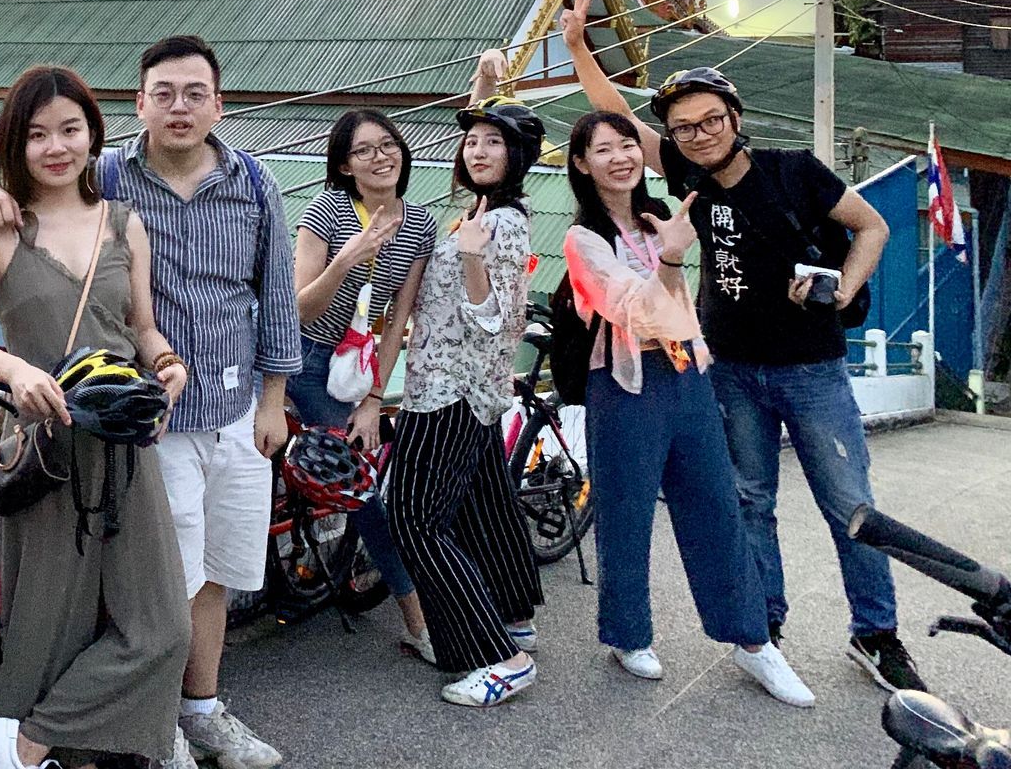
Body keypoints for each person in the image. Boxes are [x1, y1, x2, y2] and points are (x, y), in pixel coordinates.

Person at [560, 0, 925, 692]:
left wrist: (842, 290)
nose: (698, 135)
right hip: (728, 369)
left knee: (849, 503)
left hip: (811, 369)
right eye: (683, 127)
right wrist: (578, 47)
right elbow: (615, 122)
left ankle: (876, 633)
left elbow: (872, 226)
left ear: (735, 119)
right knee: (748, 504)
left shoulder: (795, 171)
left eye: (710, 121)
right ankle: (764, 626)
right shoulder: (686, 177)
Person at [0, 35, 299, 769]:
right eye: (164, 94)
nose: (180, 107)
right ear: (138, 104)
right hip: (144, 425)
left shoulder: (254, 182)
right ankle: (152, 733)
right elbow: (36, 177)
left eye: (195, 94)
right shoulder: (110, 174)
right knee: (155, 589)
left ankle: (201, 710)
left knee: (217, 572)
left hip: (234, 406)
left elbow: (275, 293)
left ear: (219, 103)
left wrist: (272, 399)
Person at [0, 65, 191, 769]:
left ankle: (23, 741)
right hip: (46, 444)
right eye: (37, 134)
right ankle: (55, 752)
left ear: (93, 135)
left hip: (122, 441)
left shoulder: (124, 223)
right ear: (15, 143)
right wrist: (16, 371)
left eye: (70, 130)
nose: (55, 147)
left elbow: (142, 327)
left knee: (162, 626)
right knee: (50, 623)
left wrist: (168, 364)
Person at [561, 110, 815, 704]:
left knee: (717, 507)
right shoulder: (582, 239)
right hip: (624, 383)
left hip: (687, 374)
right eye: (604, 149)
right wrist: (672, 259)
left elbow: (684, 307)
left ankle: (753, 640)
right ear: (582, 164)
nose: (621, 157)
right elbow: (636, 311)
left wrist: (672, 254)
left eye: (628, 144)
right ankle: (628, 634)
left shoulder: (664, 219)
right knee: (626, 514)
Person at [382, 87, 544, 707]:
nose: (477, 150)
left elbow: (493, 317)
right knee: (480, 505)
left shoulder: (500, 224)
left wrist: (472, 259)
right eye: (471, 141)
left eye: (493, 142)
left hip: (448, 391)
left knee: (414, 520)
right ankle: (512, 617)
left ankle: (502, 658)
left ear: (517, 156)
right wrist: (487, 81)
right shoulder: (485, 211)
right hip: (468, 389)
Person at [288, 109, 437, 661]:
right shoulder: (325, 211)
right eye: (364, 150)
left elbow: (398, 320)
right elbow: (297, 310)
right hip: (302, 358)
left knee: (370, 468)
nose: (381, 157)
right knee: (360, 484)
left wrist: (375, 397)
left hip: (356, 365)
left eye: (388, 144)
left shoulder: (419, 224)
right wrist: (348, 258)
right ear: (345, 166)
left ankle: (413, 601)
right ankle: (417, 616)